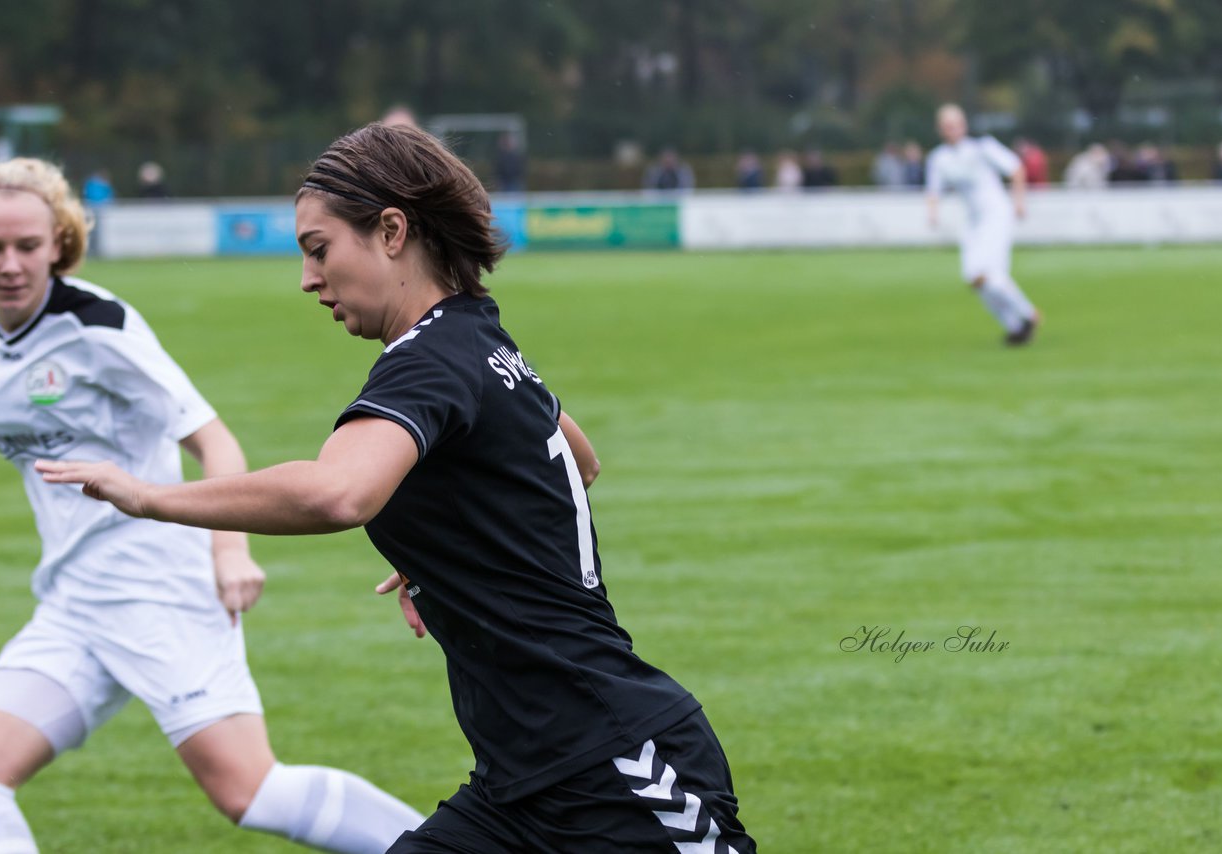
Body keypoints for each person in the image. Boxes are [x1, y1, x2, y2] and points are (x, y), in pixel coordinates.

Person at [37, 122, 756, 854]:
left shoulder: (428, 359)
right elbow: (579, 456)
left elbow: (335, 494)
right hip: (518, 789)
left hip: (618, 771)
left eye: (319, 251)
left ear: (389, 231)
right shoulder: (479, 336)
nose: (308, 280)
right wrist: (440, 542)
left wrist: (149, 496)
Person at [0, 158, 423, 853]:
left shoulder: (98, 326)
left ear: (58, 242)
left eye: (27, 246)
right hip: (71, 604)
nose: (9, 265)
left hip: (162, 591)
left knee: (250, 792)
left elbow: (215, 441)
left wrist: (230, 553)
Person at [926, 103, 1040, 345]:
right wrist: (933, 213)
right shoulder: (939, 158)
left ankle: (1026, 316)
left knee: (992, 275)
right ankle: (1016, 323)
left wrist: (1019, 202)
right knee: (973, 278)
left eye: (956, 124)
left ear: (964, 125)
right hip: (973, 221)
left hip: (997, 214)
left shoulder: (982, 148)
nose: (952, 130)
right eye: (947, 126)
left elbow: (1016, 168)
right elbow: (933, 190)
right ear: (940, 129)